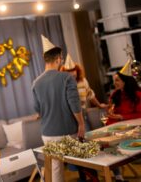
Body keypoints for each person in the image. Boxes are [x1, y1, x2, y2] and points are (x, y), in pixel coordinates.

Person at [31, 35, 85, 182]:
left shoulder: (36, 83)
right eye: (60, 58)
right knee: (87, 160)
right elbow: (74, 104)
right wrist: (81, 124)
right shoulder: (67, 78)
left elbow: (38, 109)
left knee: (56, 168)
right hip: (68, 133)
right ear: (58, 59)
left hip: (48, 134)